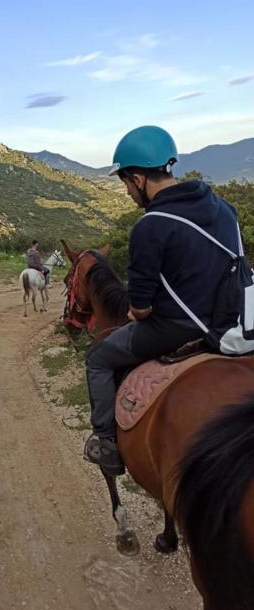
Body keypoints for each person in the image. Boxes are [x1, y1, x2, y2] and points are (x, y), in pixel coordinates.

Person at [84, 125, 239, 475]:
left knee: (98, 358)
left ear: (138, 178)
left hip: (179, 328)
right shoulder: (223, 207)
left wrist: (135, 310)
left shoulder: (150, 225)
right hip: (233, 321)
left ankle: (106, 440)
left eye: (125, 183)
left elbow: (140, 309)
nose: (126, 192)